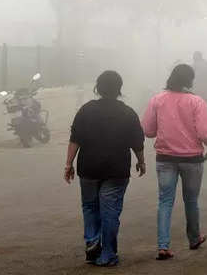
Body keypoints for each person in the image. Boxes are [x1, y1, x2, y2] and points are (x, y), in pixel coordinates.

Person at [64, 71, 146, 267]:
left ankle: (92, 242)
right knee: (110, 212)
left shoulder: (86, 110)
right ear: (119, 89)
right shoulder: (128, 113)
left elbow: (75, 139)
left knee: (90, 206)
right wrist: (141, 162)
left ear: (98, 87)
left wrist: (68, 164)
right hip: (116, 170)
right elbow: (137, 143)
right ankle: (108, 253)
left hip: (89, 168)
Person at [141, 64, 207, 260]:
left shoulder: (157, 100)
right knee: (191, 200)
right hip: (192, 159)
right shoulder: (196, 102)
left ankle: (163, 246)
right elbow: (205, 134)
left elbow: (148, 130)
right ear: (190, 80)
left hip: (165, 158)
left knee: (165, 201)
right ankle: (194, 238)